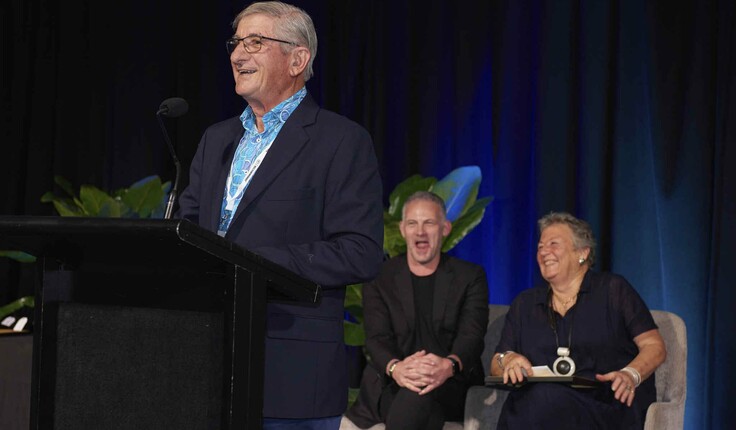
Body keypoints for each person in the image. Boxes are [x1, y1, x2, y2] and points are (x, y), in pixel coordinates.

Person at [176, 2, 384, 429]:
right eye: (236, 43)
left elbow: (361, 252)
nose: (237, 55)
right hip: (205, 366)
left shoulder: (341, 141)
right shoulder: (216, 139)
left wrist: (254, 262)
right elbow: (190, 228)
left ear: (297, 59)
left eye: (255, 42)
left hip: (291, 374)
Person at [490, 212, 667, 429]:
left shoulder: (613, 290)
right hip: (536, 407)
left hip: (604, 403)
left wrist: (630, 374)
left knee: (544, 399)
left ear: (582, 253)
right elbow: (496, 361)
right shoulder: (525, 303)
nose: (544, 252)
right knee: (538, 399)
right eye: (540, 247)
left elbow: (654, 346)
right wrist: (508, 361)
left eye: (553, 244)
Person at [345, 191, 489, 430]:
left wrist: (448, 365)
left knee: (417, 398)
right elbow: (376, 338)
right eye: (413, 223)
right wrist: (397, 368)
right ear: (402, 229)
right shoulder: (380, 277)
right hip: (393, 380)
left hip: (450, 381)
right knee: (415, 399)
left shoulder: (470, 276)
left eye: (429, 223)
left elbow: (471, 336)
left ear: (445, 228)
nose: (420, 232)